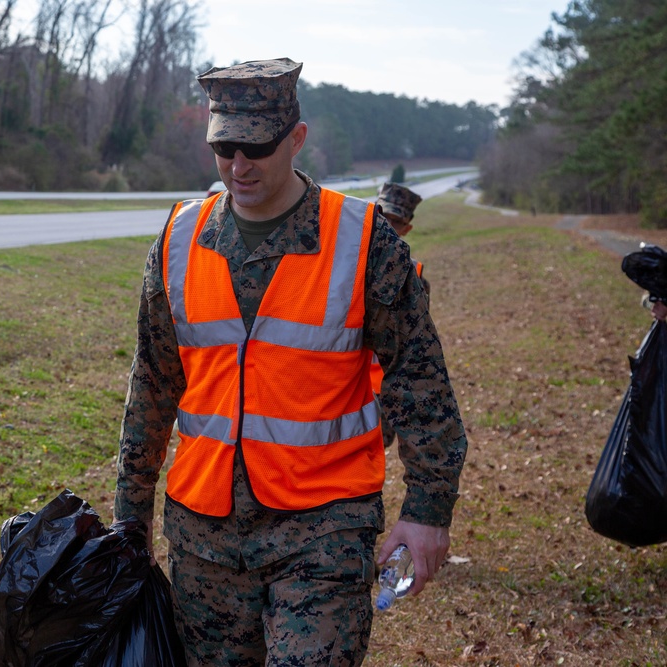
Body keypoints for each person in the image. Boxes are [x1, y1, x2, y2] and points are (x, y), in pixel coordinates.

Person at [114, 58, 467, 666]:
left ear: (297, 138)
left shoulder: (363, 241)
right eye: (223, 146)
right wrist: (129, 516)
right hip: (204, 540)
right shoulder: (177, 242)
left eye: (255, 146)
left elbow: (419, 378)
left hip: (323, 533)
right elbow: (152, 386)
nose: (237, 165)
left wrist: (428, 510)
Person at [372, 182, 428, 449]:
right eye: (381, 216)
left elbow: (414, 348)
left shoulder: (413, 279)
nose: (386, 225)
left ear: (407, 229)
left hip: (382, 395)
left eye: (395, 221)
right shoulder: (345, 261)